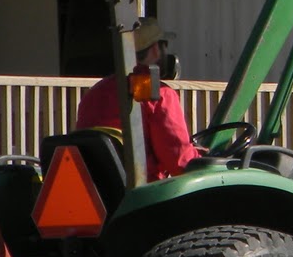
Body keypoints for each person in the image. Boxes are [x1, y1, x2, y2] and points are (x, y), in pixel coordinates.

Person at [75, 17, 200, 179]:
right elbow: (179, 162)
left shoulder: (94, 94)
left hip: (102, 194)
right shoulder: (159, 93)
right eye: (164, 45)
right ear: (156, 49)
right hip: (146, 194)